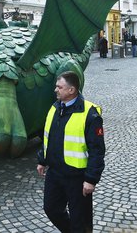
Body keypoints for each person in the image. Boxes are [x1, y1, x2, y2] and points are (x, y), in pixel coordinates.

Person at [36, 71, 105, 232]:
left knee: (80, 220)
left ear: (71, 90)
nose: (55, 90)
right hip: (55, 173)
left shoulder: (90, 114)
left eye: (59, 87)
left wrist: (91, 179)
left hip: (77, 178)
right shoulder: (55, 107)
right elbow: (48, 137)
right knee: (51, 209)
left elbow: (97, 150)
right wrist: (42, 160)